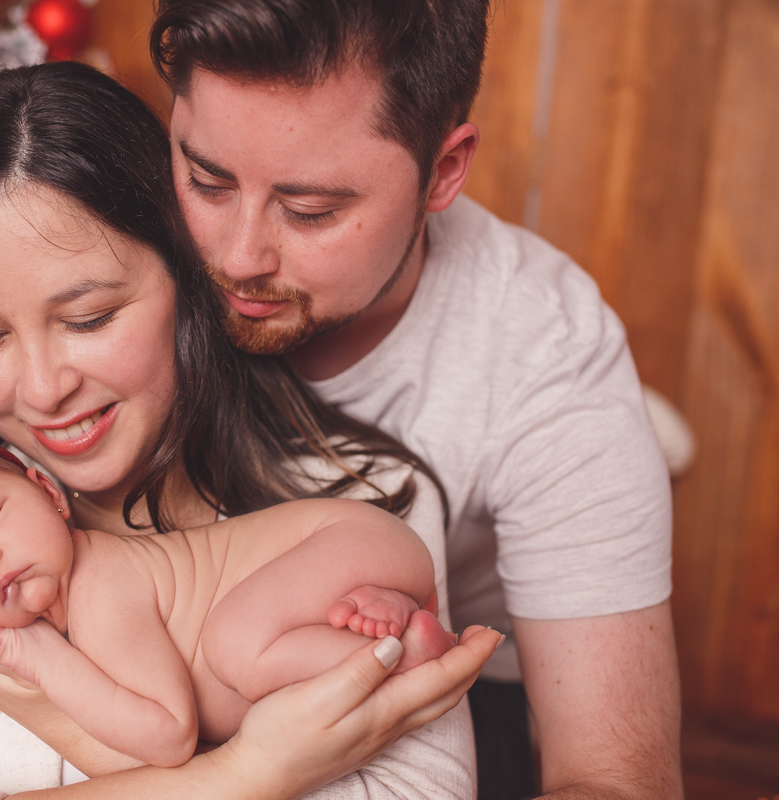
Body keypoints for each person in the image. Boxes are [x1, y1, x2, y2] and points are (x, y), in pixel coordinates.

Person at [0, 63, 500, 800]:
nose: (44, 389)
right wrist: (246, 777)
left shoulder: (361, 499)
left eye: (90, 318)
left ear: (187, 278)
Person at [149, 1, 682, 797]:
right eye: (207, 180)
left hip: (445, 684)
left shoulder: (545, 347)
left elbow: (616, 778)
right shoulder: (117, 238)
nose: (239, 256)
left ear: (444, 171)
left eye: (311, 210)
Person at [0, 423, 455, 767]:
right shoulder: (71, 611)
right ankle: (380, 617)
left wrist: (39, 661)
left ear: (47, 493)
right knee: (247, 655)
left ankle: (403, 655)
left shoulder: (101, 583)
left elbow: (169, 737)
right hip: (345, 571)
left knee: (235, 644)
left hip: (345, 536)